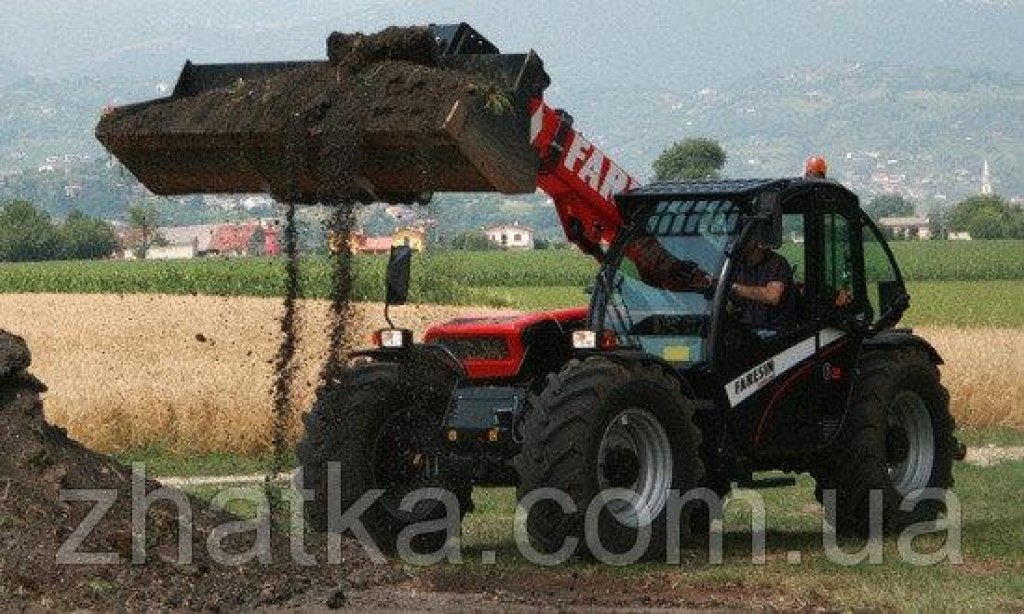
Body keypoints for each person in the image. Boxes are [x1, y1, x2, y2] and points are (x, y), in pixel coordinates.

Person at [729, 236, 797, 331]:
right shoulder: (736, 267)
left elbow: (772, 296)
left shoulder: (777, 263)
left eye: (742, 239)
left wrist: (731, 287)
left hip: (774, 331)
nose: (735, 244)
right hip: (746, 329)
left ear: (754, 240)